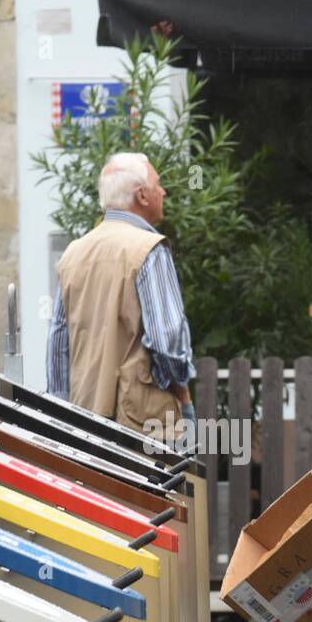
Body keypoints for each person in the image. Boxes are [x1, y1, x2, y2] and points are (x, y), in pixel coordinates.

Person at [46, 152, 196, 444]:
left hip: (84, 418)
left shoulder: (74, 253)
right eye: (158, 184)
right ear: (142, 195)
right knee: (159, 491)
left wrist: (63, 413)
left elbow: (58, 343)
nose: (163, 191)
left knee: (91, 492)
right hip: (145, 424)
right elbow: (168, 341)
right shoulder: (150, 249)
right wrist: (183, 397)